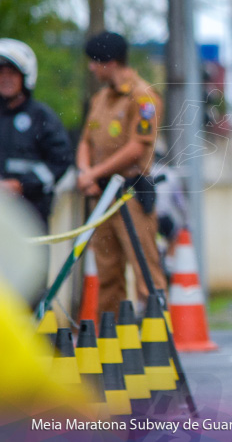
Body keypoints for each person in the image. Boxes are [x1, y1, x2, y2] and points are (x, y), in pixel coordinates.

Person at [76, 31, 167, 316]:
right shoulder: (100, 99)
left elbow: (136, 148)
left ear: (110, 62)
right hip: (101, 197)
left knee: (146, 274)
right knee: (107, 276)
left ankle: (158, 343)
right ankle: (112, 348)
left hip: (130, 194)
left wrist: (93, 173)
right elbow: (85, 141)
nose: (92, 68)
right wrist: (86, 173)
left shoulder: (143, 97)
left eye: (94, 61)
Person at [0, 39, 74, 306]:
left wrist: (22, 185)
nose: (5, 79)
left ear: (25, 77)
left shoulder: (41, 116)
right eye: (1, 73)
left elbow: (61, 160)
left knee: (28, 287)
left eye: (12, 73)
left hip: (31, 215)